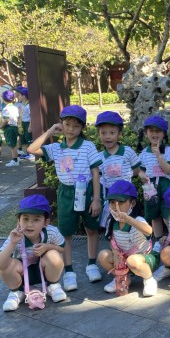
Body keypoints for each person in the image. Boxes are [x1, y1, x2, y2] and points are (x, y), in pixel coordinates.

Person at [27, 105, 103, 292]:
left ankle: (91, 264)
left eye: (76, 126)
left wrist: (96, 199)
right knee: (66, 233)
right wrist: (50, 131)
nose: (71, 129)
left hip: (86, 191)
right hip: (66, 193)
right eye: (67, 124)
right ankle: (69, 272)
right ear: (61, 124)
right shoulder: (56, 148)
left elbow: (95, 173)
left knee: (91, 229)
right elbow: (31, 149)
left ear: (82, 128)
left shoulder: (88, 147)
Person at [0, 195, 67, 312]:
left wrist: (47, 247)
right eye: (25, 219)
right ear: (18, 221)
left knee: (54, 255)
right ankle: (16, 292)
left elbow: (62, 248)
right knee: (5, 266)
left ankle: (53, 286)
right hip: (21, 274)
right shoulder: (15, 237)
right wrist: (12, 243)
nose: (30, 224)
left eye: (36, 219)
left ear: (46, 222)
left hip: (43, 270)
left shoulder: (51, 231)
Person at [97, 180, 159, 297]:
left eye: (120, 202)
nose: (115, 206)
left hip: (143, 258)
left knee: (132, 260)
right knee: (102, 256)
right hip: (123, 258)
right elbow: (112, 240)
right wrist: (115, 252)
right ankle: (122, 277)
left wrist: (128, 219)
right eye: (112, 202)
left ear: (132, 203)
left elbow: (149, 231)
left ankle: (149, 279)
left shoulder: (137, 220)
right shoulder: (112, 221)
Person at [95, 111, 140, 228]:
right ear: (99, 134)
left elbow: (137, 170)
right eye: (103, 133)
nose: (108, 136)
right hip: (110, 196)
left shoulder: (127, 151)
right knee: (112, 224)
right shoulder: (99, 157)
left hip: (126, 195)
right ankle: (113, 239)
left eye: (112, 132)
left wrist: (127, 177)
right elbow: (99, 177)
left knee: (129, 222)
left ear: (119, 134)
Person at [136, 115, 170, 240]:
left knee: (168, 215)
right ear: (146, 133)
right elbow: (140, 171)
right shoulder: (144, 153)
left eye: (158, 131)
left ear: (164, 134)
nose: (154, 134)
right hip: (150, 187)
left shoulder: (169, 150)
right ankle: (159, 240)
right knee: (154, 215)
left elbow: (168, 170)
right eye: (151, 131)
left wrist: (158, 154)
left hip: (166, 186)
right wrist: (142, 176)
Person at [0, 90, 20, 167]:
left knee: (12, 145)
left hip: (9, 127)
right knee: (14, 143)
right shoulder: (15, 107)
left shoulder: (6, 109)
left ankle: (15, 160)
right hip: (15, 126)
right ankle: (16, 158)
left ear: (3, 99)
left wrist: (1, 126)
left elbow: (6, 119)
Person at [15, 86, 33, 159]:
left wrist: (30, 126)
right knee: (25, 138)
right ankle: (28, 152)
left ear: (24, 96)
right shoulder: (23, 104)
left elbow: (31, 116)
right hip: (23, 123)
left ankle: (32, 153)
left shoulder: (28, 106)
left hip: (27, 123)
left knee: (29, 138)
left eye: (20, 95)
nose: (19, 96)